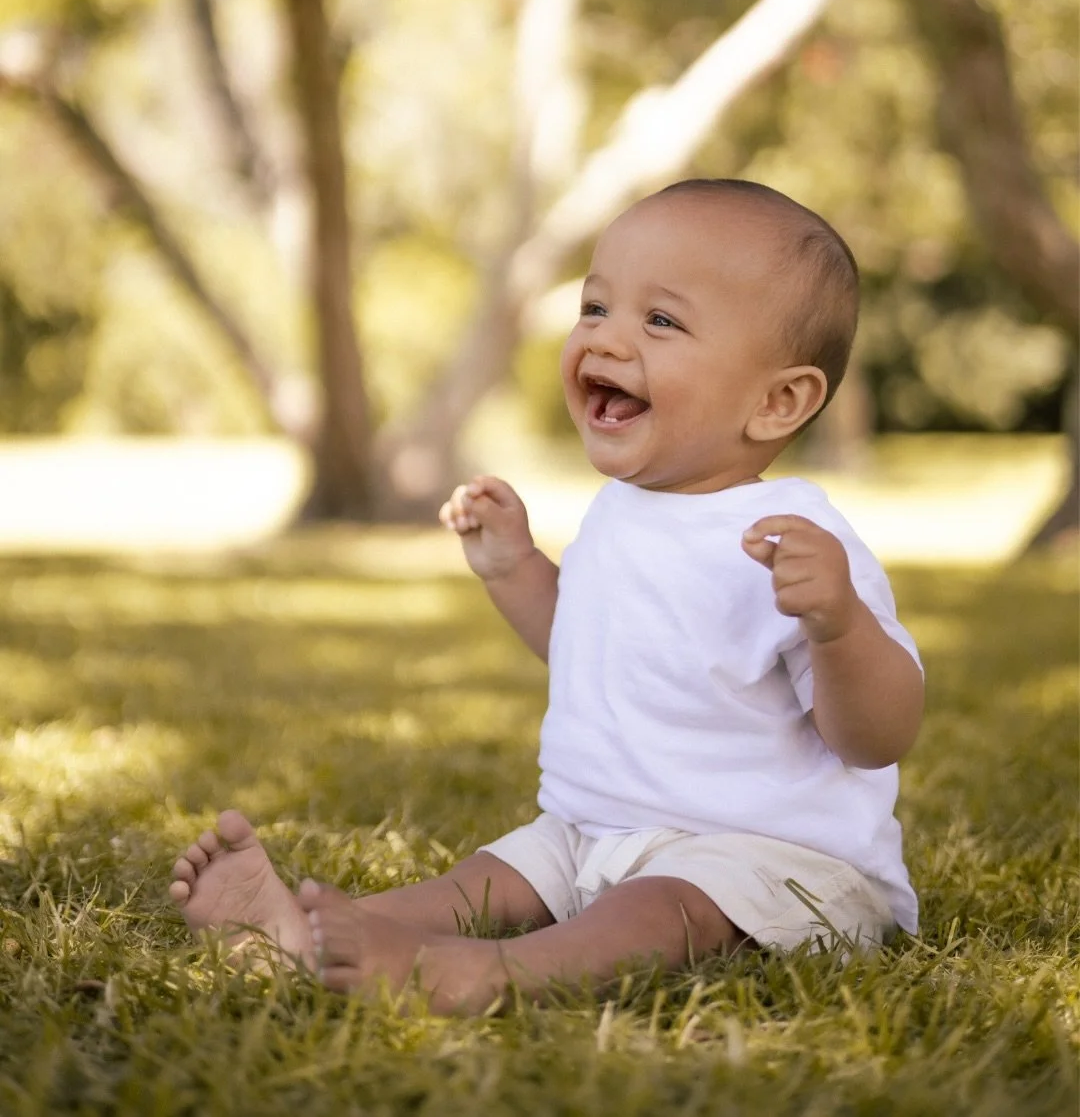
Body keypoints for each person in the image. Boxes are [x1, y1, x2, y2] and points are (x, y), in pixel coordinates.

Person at [168, 178, 924, 1014]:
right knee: (487, 879)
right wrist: (515, 567)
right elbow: (588, 645)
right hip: (596, 831)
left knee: (658, 910)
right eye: (595, 307)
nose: (606, 339)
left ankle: (483, 974)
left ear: (779, 400)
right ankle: (309, 929)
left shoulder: (800, 541)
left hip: (765, 862)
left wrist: (839, 624)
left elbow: (875, 737)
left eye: (661, 321)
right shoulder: (624, 509)